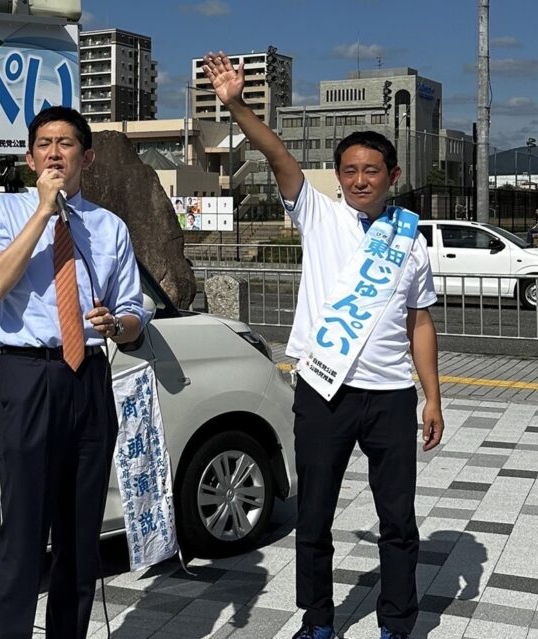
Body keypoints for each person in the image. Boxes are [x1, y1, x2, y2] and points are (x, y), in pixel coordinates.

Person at [203, 52, 444, 639]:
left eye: (372, 170)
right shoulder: (318, 214)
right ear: (337, 176)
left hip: (389, 394)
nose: (360, 179)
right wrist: (236, 104)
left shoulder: (409, 242)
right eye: (350, 170)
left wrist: (432, 397)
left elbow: (420, 323)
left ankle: (397, 621)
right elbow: (277, 152)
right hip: (322, 388)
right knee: (313, 518)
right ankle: (317, 620)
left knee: (398, 523)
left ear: (392, 176)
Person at [0, 106, 149, 639]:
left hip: (88, 376)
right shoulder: (4, 212)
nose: (54, 153)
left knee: (79, 533)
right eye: (43, 143)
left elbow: (136, 312)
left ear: (85, 158)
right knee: (23, 531)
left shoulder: (108, 226)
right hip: (29, 376)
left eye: (66, 144)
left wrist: (118, 324)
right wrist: (43, 213)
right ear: (28, 158)